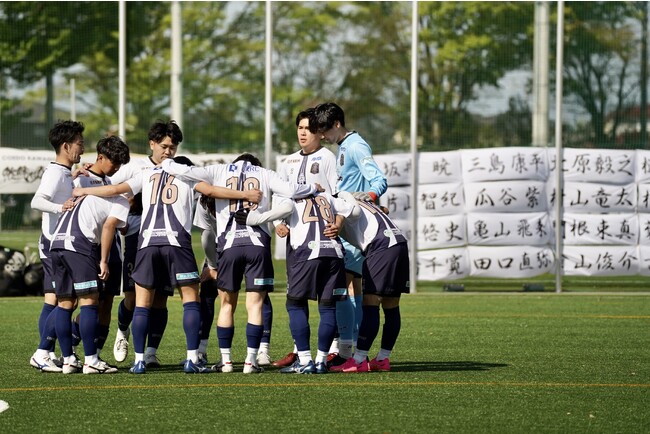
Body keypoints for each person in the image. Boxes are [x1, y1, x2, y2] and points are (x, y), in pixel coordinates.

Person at [74, 155, 261, 374]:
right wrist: (245, 194)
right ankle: (192, 359)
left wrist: (83, 190)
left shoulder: (147, 174)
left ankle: (139, 361)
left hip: (147, 242)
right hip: (177, 242)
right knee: (191, 301)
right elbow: (211, 191)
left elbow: (114, 189)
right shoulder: (186, 176)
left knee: (142, 304)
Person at [161, 153, 321, 374]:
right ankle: (251, 361)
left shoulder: (218, 170)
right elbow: (291, 191)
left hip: (229, 245)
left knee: (227, 305)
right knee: (255, 305)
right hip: (258, 245)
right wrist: (313, 187)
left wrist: (166, 162)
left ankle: (226, 362)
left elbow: (186, 171)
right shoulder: (265, 173)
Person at [237, 188, 357, 374]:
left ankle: (305, 360)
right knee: (328, 308)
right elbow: (354, 210)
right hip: (334, 253)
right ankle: (321, 361)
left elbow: (277, 212)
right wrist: (339, 215)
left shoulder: (290, 197)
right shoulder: (325, 196)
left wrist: (256, 219)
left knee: (295, 304)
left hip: (306, 253)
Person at [309, 102, 388, 367]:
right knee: (351, 286)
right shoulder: (342, 147)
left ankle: (346, 351)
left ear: (337, 124)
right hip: (345, 226)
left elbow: (379, 180)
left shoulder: (356, 146)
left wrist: (369, 197)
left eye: (324, 130)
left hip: (354, 226)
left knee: (341, 285)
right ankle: (350, 347)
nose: (322, 136)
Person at [50, 135, 131, 374]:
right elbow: (109, 227)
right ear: (101, 157)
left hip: (58, 243)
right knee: (89, 302)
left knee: (65, 304)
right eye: (114, 162)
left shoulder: (86, 187)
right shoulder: (118, 198)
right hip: (81, 245)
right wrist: (103, 260)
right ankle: (91, 360)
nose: (116, 168)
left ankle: (68, 360)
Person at [109, 120, 182, 368]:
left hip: (167, 238)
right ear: (152, 144)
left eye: (172, 147)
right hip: (137, 236)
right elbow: (110, 186)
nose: (168, 151)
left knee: (160, 298)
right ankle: (122, 331)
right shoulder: (135, 167)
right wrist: (122, 213)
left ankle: (151, 352)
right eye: (164, 146)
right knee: (133, 297)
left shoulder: (179, 168)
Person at [272, 108, 340, 368]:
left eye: (309, 129)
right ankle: (311, 355)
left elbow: (337, 194)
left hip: (314, 239)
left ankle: (318, 354)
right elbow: (279, 196)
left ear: (320, 134)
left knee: (300, 300)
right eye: (300, 128)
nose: (303, 133)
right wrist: (278, 222)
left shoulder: (327, 157)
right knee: (318, 301)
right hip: (299, 239)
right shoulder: (288, 161)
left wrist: (337, 223)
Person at [329, 192, 409, 372]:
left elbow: (345, 215)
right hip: (399, 243)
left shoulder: (337, 203)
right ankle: (382, 358)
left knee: (371, 303)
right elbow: (383, 210)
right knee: (391, 305)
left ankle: (358, 360)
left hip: (380, 246)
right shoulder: (356, 200)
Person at [30, 120, 86, 372]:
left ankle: (47, 352)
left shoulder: (63, 172)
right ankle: (42, 352)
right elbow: (37, 201)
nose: (82, 148)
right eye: (79, 143)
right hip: (53, 243)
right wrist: (60, 207)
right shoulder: (54, 172)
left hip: (58, 243)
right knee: (63, 301)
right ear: (66, 146)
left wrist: (74, 177)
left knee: (58, 300)